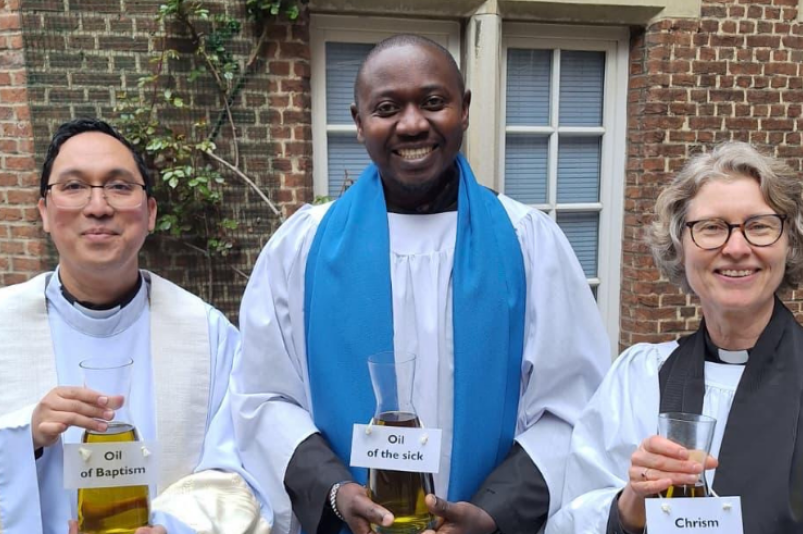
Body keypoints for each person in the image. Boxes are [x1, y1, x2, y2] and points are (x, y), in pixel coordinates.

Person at [233, 34, 610, 534]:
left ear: (465, 109)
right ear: (359, 120)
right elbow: (263, 397)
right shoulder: (301, 247)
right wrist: (334, 490)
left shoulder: (527, 243)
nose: (412, 124)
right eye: (387, 107)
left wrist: (493, 512)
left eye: (433, 102)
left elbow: (574, 405)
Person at [0, 118, 271, 534]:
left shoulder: (208, 335)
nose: (98, 206)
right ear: (44, 213)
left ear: (151, 212)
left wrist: (177, 528)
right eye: (73, 186)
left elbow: (241, 473)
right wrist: (22, 439)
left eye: (120, 186)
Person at [547, 141, 803, 534]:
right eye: (711, 227)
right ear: (679, 247)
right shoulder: (638, 379)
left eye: (759, 226)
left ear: (791, 241)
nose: (736, 248)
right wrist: (630, 507)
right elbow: (570, 519)